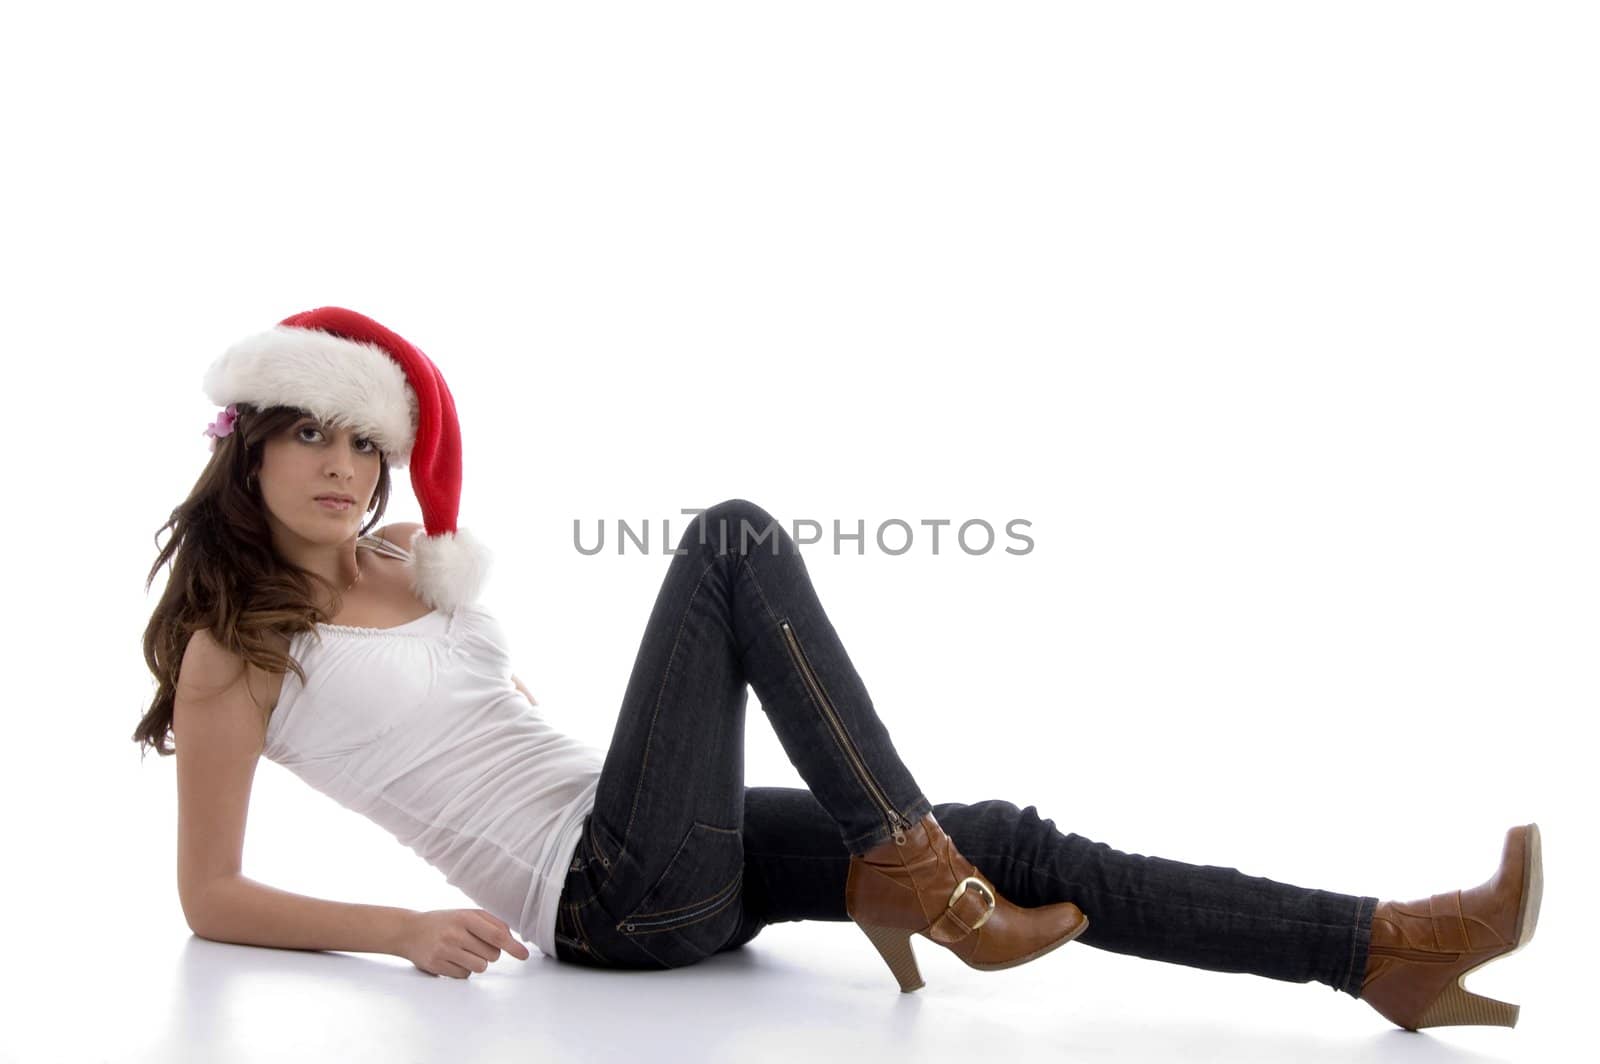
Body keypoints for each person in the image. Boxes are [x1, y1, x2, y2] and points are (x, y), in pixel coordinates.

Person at [132, 306, 1542, 1033]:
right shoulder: (234, 655)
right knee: (731, 543)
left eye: (365, 443)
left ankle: (1382, 953)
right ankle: (926, 875)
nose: (345, 467)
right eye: (311, 436)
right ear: (247, 450)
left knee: (1017, 839)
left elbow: (484, 733)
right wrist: (402, 928)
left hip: (659, 835)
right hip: (607, 901)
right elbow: (210, 899)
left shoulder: (405, 572)